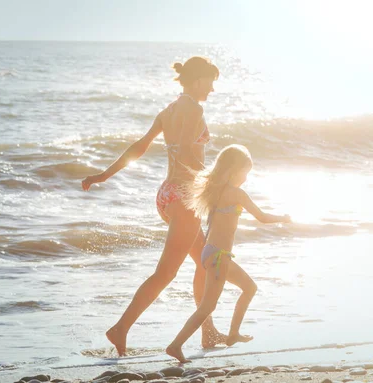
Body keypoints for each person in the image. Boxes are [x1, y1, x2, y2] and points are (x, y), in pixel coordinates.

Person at [81, 56, 226, 356]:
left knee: (206, 263)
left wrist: (103, 175)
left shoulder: (169, 110)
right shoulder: (194, 108)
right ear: (198, 80)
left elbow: (140, 146)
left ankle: (208, 331)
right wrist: (213, 184)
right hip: (185, 197)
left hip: (167, 195)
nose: (212, 88)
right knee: (166, 273)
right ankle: (120, 328)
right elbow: (187, 148)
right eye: (211, 81)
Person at [165, 144, 291, 363]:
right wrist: (283, 218)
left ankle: (233, 334)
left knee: (249, 287)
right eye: (245, 173)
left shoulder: (217, 192)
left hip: (213, 253)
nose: (245, 178)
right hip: (219, 256)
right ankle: (175, 345)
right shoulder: (236, 193)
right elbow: (261, 217)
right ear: (233, 170)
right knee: (208, 306)